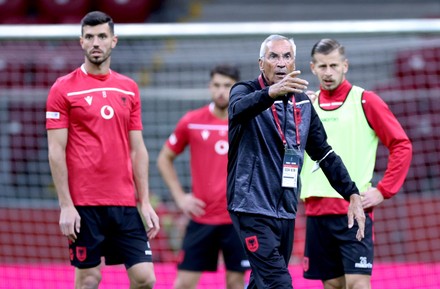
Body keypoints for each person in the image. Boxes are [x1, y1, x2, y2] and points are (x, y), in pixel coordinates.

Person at [227, 34, 366, 289]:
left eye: (287, 56)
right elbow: (237, 110)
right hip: (251, 207)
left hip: (286, 210)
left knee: (262, 282)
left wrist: (352, 192)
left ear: (294, 63)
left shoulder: (302, 102)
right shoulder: (244, 91)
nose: (281, 63)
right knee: (279, 283)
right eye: (274, 56)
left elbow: (323, 153)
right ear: (261, 63)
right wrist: (269, 93)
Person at [46, 11, 159, 289]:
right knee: (88, 279)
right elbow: (55, 150)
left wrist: (144, 201)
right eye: (90, 37)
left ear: (114, 41)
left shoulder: (130, 88)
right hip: (84, 205)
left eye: (102, 36)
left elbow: (137, 149)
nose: (96, 42)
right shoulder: (63, 89)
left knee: (145, 278)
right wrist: (66, 205)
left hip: (124, 202)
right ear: (81, 42)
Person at [300, 38, 412, 289]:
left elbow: (401, 145)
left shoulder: (365, 100)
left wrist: (383, 190)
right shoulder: (307, 104)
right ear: (312, 68)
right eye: (322, 66)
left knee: (358, 285)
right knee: (332, 285)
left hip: (353, 209)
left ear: (345, 66)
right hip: (316, 212)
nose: (328, 72)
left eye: (333, 65)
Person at [157, 64, 250, 289]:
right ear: (209, 87)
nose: (221, 91)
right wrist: (180, 198)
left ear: (237, 89)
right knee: (184, 284)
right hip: (201, 219)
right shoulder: (192, 120)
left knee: (236, 283)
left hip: (237, 220)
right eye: (216, 85)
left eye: (227, 86)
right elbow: (164, 159)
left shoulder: (247, 121)